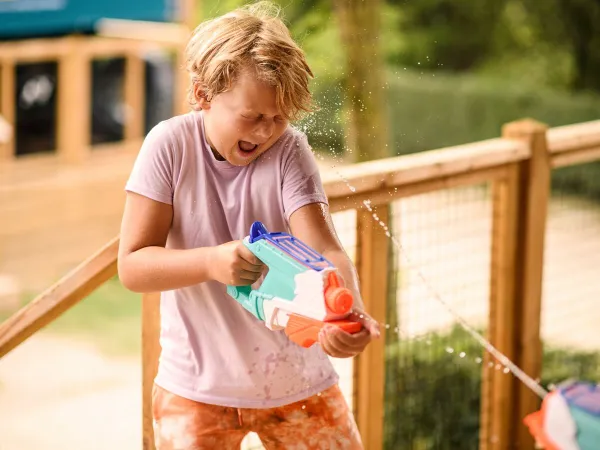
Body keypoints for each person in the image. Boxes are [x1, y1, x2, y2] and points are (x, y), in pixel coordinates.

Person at [118, 2, 380, 449]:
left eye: (279, 118)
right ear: (202, 94)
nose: (265, 132)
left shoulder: (290, 150)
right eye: (253, 116)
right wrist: (211, 263)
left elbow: (325, 248)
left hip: (299, 382)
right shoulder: (168, 146)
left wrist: (345, 311)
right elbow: (133, 266)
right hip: (195, 388)